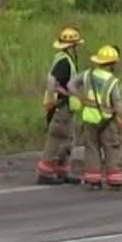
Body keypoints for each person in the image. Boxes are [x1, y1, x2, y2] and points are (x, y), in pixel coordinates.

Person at [69, 44, 122, 190]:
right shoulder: (112, 81)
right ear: (112, 63)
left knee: (92, 148)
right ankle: (114, 180)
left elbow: (71, 85)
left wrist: (81, 98)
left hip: (89, 118)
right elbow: (117, 103)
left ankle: (93, 180)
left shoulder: (87, 74)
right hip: (107, 120)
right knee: (112, 148)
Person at [36, 26, 83, 185]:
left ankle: (62, 170)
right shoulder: (64, 62)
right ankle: (45, 173)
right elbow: (53, 82)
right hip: (62, 106)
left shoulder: (64, 58)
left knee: (68, 138)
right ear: (72, 46)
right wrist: (64, 94)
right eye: (76, 45)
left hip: (65, 106)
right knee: (57, 138)